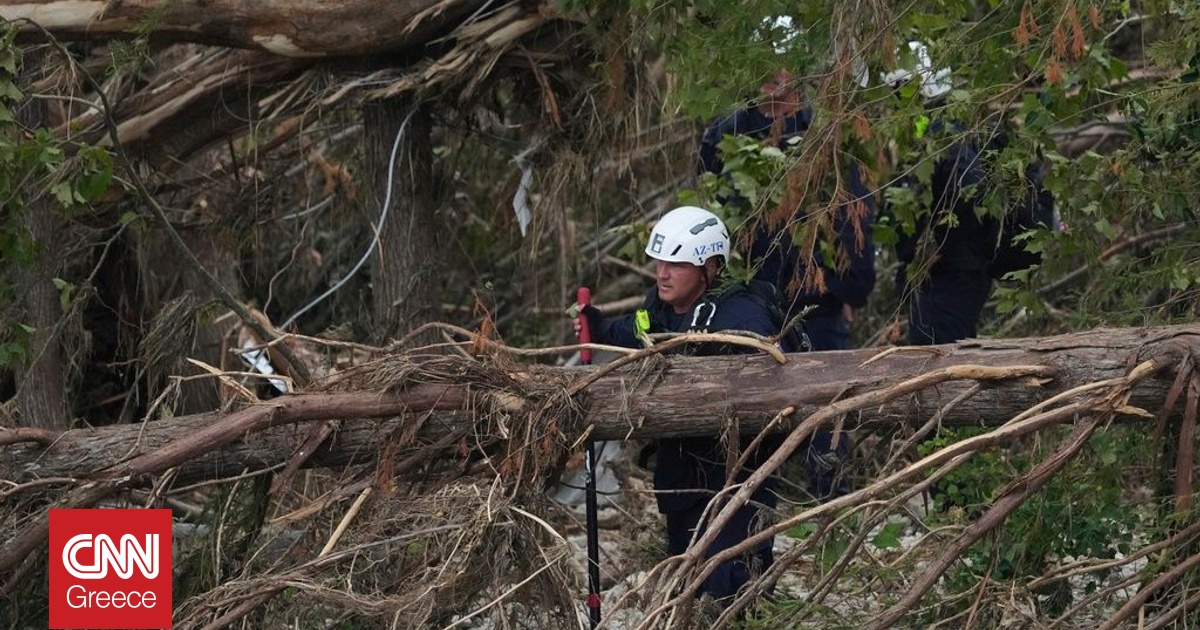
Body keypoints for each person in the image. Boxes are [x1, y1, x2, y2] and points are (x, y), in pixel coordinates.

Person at [574, 205, 797, 606]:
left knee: (730, 588)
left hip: (734, 482)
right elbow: (639, 328)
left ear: (710, 266)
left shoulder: (741, 310)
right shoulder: (659, 306)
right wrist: (598, 322)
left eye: (676, 264)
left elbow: (775, 366)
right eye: (660, 262)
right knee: (687, 582)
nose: (662, 273)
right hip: (681, 479)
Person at [699, 68, 875, 499]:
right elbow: (711, 209)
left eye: (784, 70)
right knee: (749, 411)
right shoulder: (726, 133)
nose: (773, 81)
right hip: (749, 299)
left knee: (827, 411)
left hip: (816, 297)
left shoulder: (823, 134)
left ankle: (828, 516)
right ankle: (748, 510)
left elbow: (854, 212)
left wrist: (847, 281)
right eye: (765, 67)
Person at [884, 41, 1055, 345]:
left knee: (938, 364)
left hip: (950, 275)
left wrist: (937, 244)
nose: (895, 99)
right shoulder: (938, 127)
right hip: (949, 274)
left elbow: (969, 190)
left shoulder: (946, 132)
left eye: (899, 89)